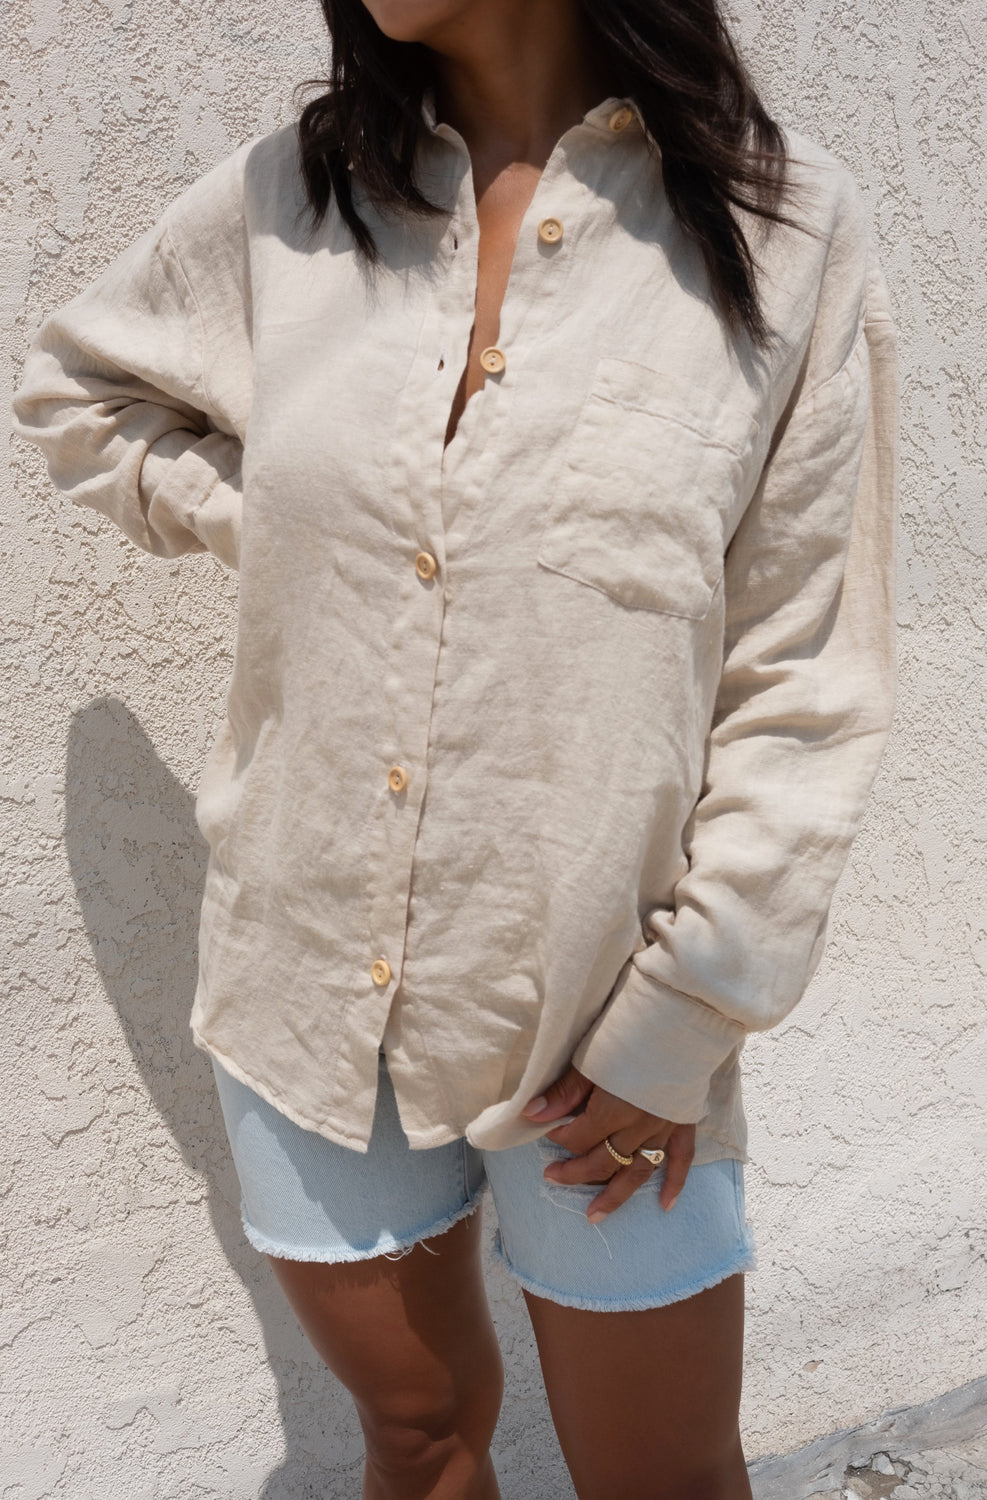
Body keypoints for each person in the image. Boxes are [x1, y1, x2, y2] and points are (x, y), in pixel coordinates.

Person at [11, 0, 899, 1495]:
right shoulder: (295, 199)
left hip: (609, 1019)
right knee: (417, 1439)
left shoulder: (779, 226)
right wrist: (287, 529)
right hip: (306, 988)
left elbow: (806, 674)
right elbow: (78, 393)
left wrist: (685, 1019)